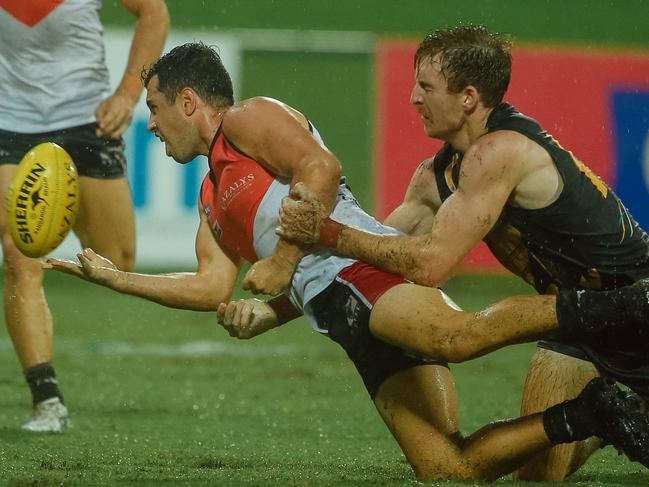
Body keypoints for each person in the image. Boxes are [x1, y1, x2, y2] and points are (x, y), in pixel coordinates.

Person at [45, 42, 649, 481]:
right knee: (447, 467)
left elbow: (323, 171)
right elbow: (210, 287)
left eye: (154, 109)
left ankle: (615, 304)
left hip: (360, 277)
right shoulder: (209, 196)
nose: (150, 125)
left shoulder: (247, 119)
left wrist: (282, 260)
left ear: (188, 100)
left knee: (455, 338)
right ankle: (590, 413)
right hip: (344, 319)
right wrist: (114, 277)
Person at [275, 25, 649, 480]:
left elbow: (430, 265)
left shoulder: (501, 152)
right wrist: (277, 309)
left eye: (426, 87)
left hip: (637, 306)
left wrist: (327, 230)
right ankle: (610, 417)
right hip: (577, 321)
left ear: (468, 97)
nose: (413, 98)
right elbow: (364, 260)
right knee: (535, 477)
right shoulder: (435, 177)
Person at [0, 0, 169, 432]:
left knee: (117, 260)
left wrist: (129, 93)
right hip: (10, 122)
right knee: (20, 252)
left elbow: (154, 11)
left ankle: (60, 205)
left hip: (86, 118)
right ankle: (46, 398)